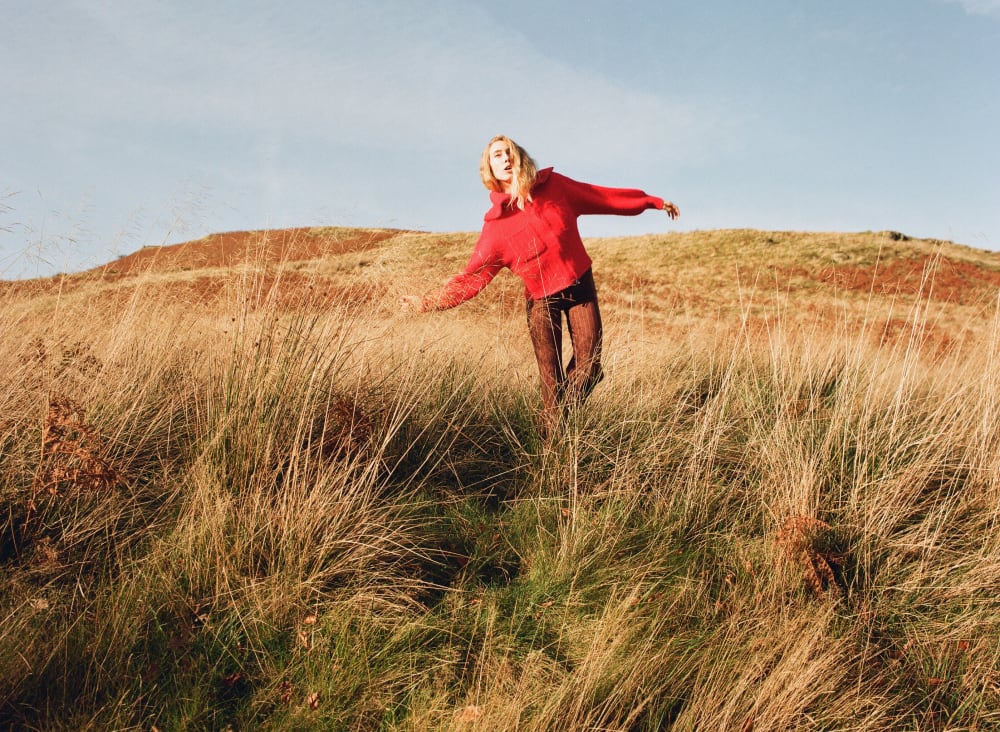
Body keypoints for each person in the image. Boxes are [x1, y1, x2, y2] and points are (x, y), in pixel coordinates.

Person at [400, 134, 679, 436]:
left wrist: (651, 201)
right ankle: (552, 445)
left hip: (579, 286)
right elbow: (471, 278)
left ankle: (555, 424)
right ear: (489, 170)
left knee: (591, 367)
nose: (505, 158)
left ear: (519, 156)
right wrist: (424, 303)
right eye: (496, 155)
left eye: (508, 152)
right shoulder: (496, 228)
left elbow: (601, 196)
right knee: (551, 386)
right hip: (541, 302)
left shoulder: (555, 187)